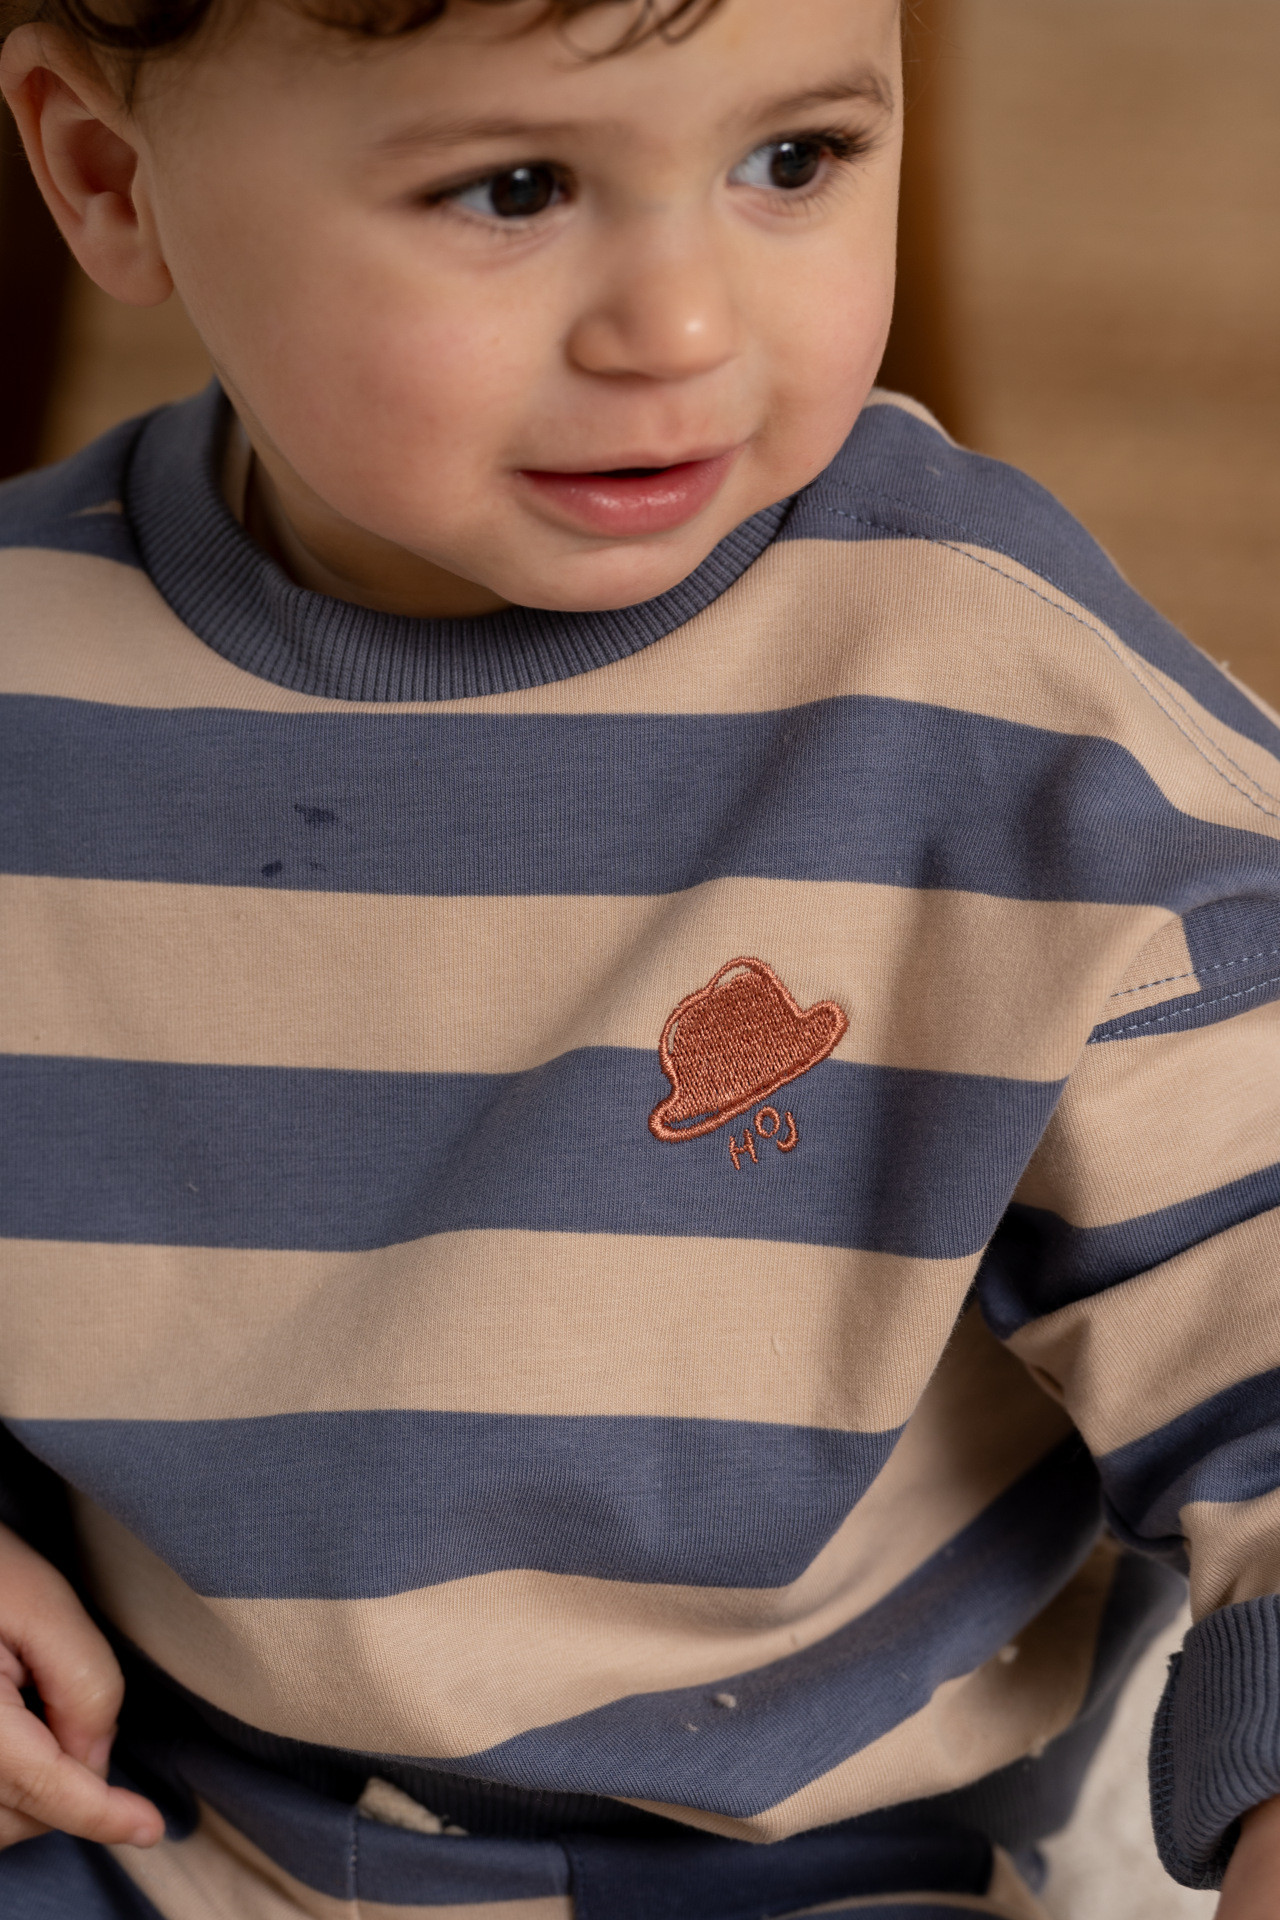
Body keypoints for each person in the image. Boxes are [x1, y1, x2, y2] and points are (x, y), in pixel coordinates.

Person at [0, 0, 1278, 1913]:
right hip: (148, 1819)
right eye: (516, 188)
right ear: (109, 176)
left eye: (795, 160)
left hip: (806, 1869)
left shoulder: (1007, 718)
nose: (680, 328)